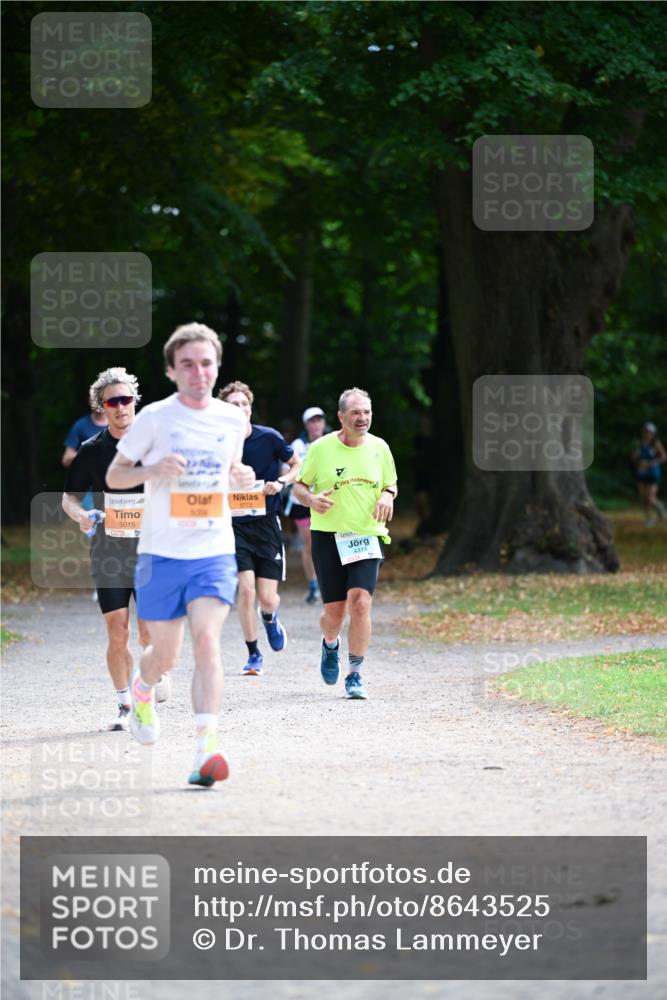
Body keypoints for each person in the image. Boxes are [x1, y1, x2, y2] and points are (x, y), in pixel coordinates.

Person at [106, 322, 254, 788]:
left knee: (208, 642)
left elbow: (230, 471)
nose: (198, 371)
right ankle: (142, 689)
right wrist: (153, 468)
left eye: (206, 363)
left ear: (217, 367)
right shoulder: (154, 417)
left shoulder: (232, 420)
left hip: (213, 548)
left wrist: (241, 477)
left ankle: (204, 751)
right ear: (172, 370)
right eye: (187, 364)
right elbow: (115, 476)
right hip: (161, 552)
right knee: (165, 654)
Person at [62, 367, 168, 732]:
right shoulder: (92, 451)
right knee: (117, 631)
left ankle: (151, 679)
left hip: (153, 550)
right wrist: (81, 516)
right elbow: (69, 498)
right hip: (110, 550)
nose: (121, 407)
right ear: (102, 407)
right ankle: (128, 704)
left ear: (135, 402)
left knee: (147, 633)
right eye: (113, 401)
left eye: (126, 399)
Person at [292, 388, 397, 701]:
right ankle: (329, 643)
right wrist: (310, 498)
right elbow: (298, 485)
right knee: (335, 613)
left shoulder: (380, 447)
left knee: (361, 601)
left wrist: (387, 495)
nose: (362, 418)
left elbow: (391, 483)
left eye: (366, 412)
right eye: (355, 413)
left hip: (366, 534)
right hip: (328, 536)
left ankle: (355, 674)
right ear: (341, 416)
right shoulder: (321, 448)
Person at [218, 381, 301, 675]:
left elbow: (297, 465)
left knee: (266, 597)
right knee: (246, 591)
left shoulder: (269, 438)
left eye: (243, 404)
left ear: (250, 408)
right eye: (232, 405)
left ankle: (270, 617)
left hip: (267, 524)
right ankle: (253, 653)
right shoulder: (217, 443)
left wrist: (279, 483)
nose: (238, 409)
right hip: (233, 526)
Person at [286, 406, 327, 604]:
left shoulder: (334, 441)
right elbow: (288, 470)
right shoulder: (298, 445)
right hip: (302, 501)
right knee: (310, 543)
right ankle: (313, 584)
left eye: (319, 420)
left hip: (327, 498)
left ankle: (329, 582)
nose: (317, 424)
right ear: (306, 424)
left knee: (330, 542)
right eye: (313, 420)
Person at [631, 422, 666, 525]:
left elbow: (663, 456)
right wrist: (635, 458)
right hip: (641, 472)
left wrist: (651, 463)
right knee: (643, 498)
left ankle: (659, 506)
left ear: (653, 433)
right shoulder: (640, 443)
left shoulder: (656, 443)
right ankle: (649, 518)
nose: (647, 434)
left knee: (650, 498)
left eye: (649, 432)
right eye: (646, 431)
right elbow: (636, 456)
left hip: (653, 472)